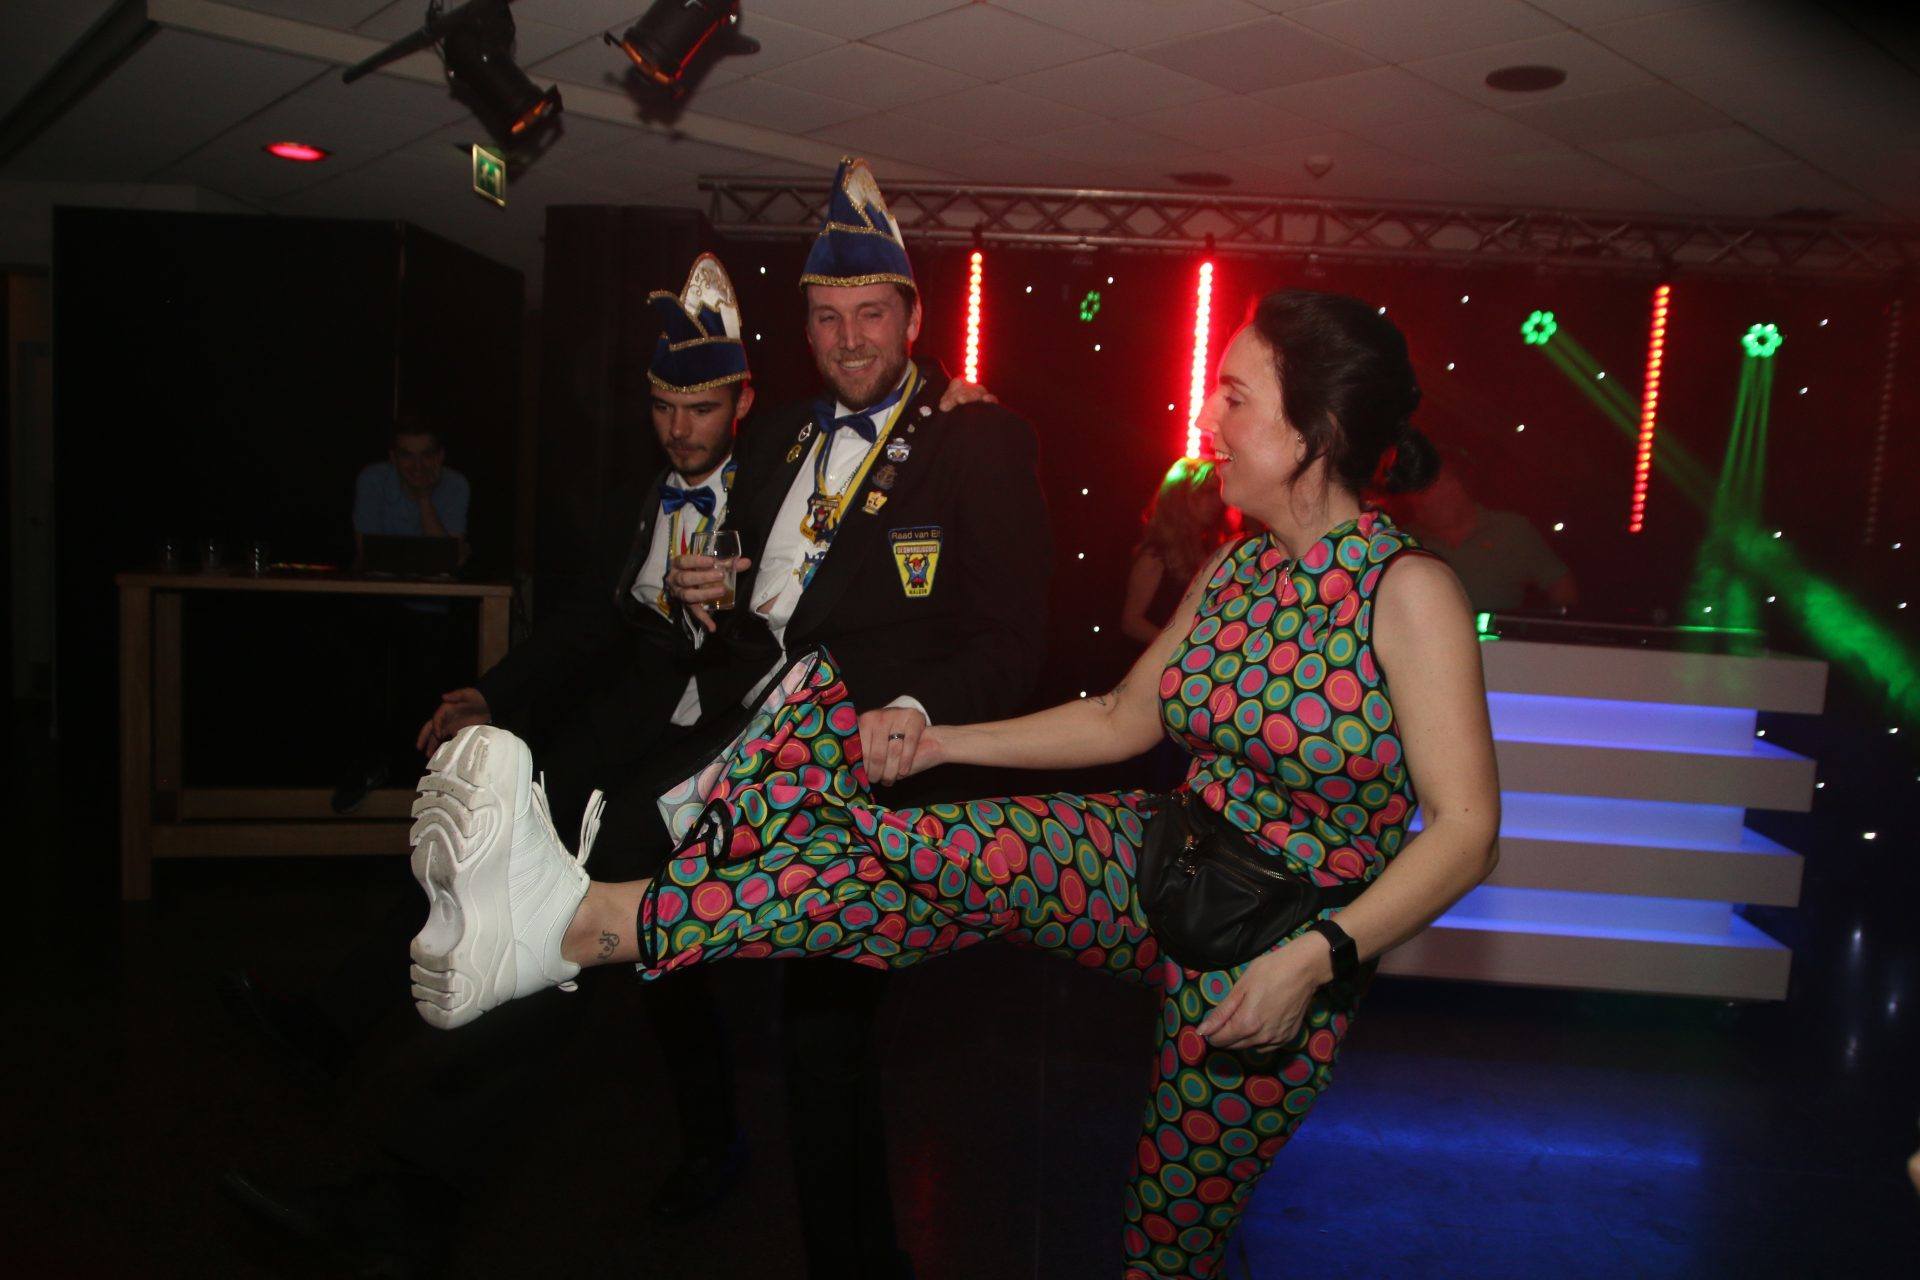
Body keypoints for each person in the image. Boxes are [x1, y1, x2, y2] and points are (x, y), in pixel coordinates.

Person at [405, 288, 1501, 1278]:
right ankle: (586, 922)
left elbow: (1465, 831)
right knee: (916, 854)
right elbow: (1122, 718)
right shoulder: (1236, 566)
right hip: (1166, 852)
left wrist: (1319, 958)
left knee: (1168, 1245)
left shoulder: (1408, 592)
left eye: (1235, 395)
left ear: (1314, 432)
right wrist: (940, 743)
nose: (1207, 416)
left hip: (1284, 944)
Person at [333, 416, 473, 813]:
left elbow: (449, 560)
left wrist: (424, 499)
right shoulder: (373, 480)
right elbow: (367, 554)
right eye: (407, 457)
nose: (418, 466)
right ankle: (365, 769)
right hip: (377, 605)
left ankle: (423, 789)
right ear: (393, 458)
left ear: (440, 457)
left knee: (429, 684)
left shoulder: (455, 485)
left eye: (427, 455)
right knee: (364, 673)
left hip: (432, 612)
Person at [1393, 448, 1576, 614]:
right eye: (1420, 490)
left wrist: (1540, 630)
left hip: (1504, 639)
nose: (1430, 497)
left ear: (1461, 485)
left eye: (1440, 484)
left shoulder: (1510, 529)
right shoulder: (1403, 541)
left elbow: (1562, 589)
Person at [1120, 457, 1236, 646]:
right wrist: (1181, 649)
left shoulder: (1210, 548)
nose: (1218, 500)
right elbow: (1131, 622)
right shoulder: (1156, 554)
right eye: (1208, 492)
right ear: (1182, 495)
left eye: (1219, 492)